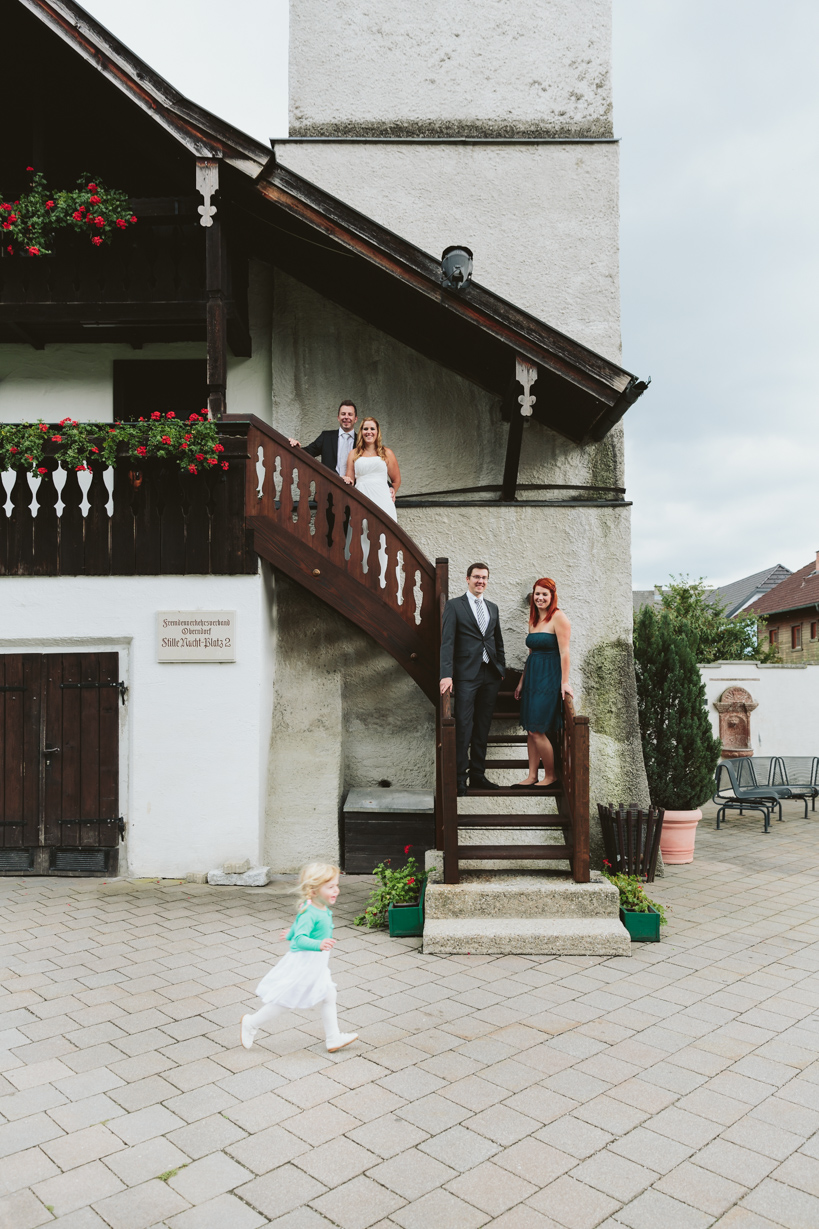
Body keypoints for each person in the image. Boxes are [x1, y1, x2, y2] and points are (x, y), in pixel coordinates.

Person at [240, 863, 358, 1054]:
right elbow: (301, 939)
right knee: (286, 1001)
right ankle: (251, 1023)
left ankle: (333, 1038)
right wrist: (316, 943)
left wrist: (291, 931)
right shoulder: (311, 912)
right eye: (330, 887)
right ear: (313, 890)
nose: (336, 890)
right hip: (306, 962)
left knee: (329, 994)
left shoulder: (313, 905)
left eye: (336, 885)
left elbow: (298, 924)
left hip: (316, 962)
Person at [440, 563, 505, 796]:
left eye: (484, 577)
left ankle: (478, 775)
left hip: (490, 674)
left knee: (483, 726)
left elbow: (498, 641)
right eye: (476, 577)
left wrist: (501, 669)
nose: (481, 581)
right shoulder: (454, 606)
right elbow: (447, 642)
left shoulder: (493, 608)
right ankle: (460, 778)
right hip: (466, 674)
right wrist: (446, 674)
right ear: (467, 579)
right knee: (464, 726)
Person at [513, 577, 573, 788]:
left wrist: (564, 682)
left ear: (552, 596)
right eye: (537, 594)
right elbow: (530, 654)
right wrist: (521, 682)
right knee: (531, 728)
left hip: (549, 678)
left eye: (544, 594)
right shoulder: (533, 619)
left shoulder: (559, 617)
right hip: (532, 678)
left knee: (537, 730)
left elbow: (565, 652)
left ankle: (550, 775)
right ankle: (531, 775)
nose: (540, 598)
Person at [343, 416, 401, 521]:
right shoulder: (353, 454)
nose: (369, 432)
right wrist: (346, 479)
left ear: (377, 432)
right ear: (361, 432)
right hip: (361, 498)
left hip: (383, 500)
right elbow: (350, 480)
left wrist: (393, 491)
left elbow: (396, 480)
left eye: (372, 429)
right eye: (365, 429)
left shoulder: (387, 453)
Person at [288, 400, 359, 477]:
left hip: (354, 487)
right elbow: (308, 452)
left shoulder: (361, 441)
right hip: (328, 485)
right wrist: (296, 447)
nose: (346, 417)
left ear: (355, 419)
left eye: (350, 414)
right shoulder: (326, 437)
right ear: (338, 418)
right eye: (343, 414)